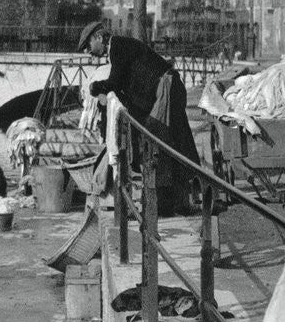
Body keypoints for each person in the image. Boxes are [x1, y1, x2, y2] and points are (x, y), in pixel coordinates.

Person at [77, 21, 200, 213]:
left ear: (99, 38)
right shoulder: (117, 48)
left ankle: (167, 204)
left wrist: (96, 87)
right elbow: (123, 82)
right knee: (169, 143)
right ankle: (175, 201)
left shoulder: (117, 46)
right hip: (165, 89)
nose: (87, 52)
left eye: (87, 46)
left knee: (157, 141)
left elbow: (115, 81)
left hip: (166, 88)